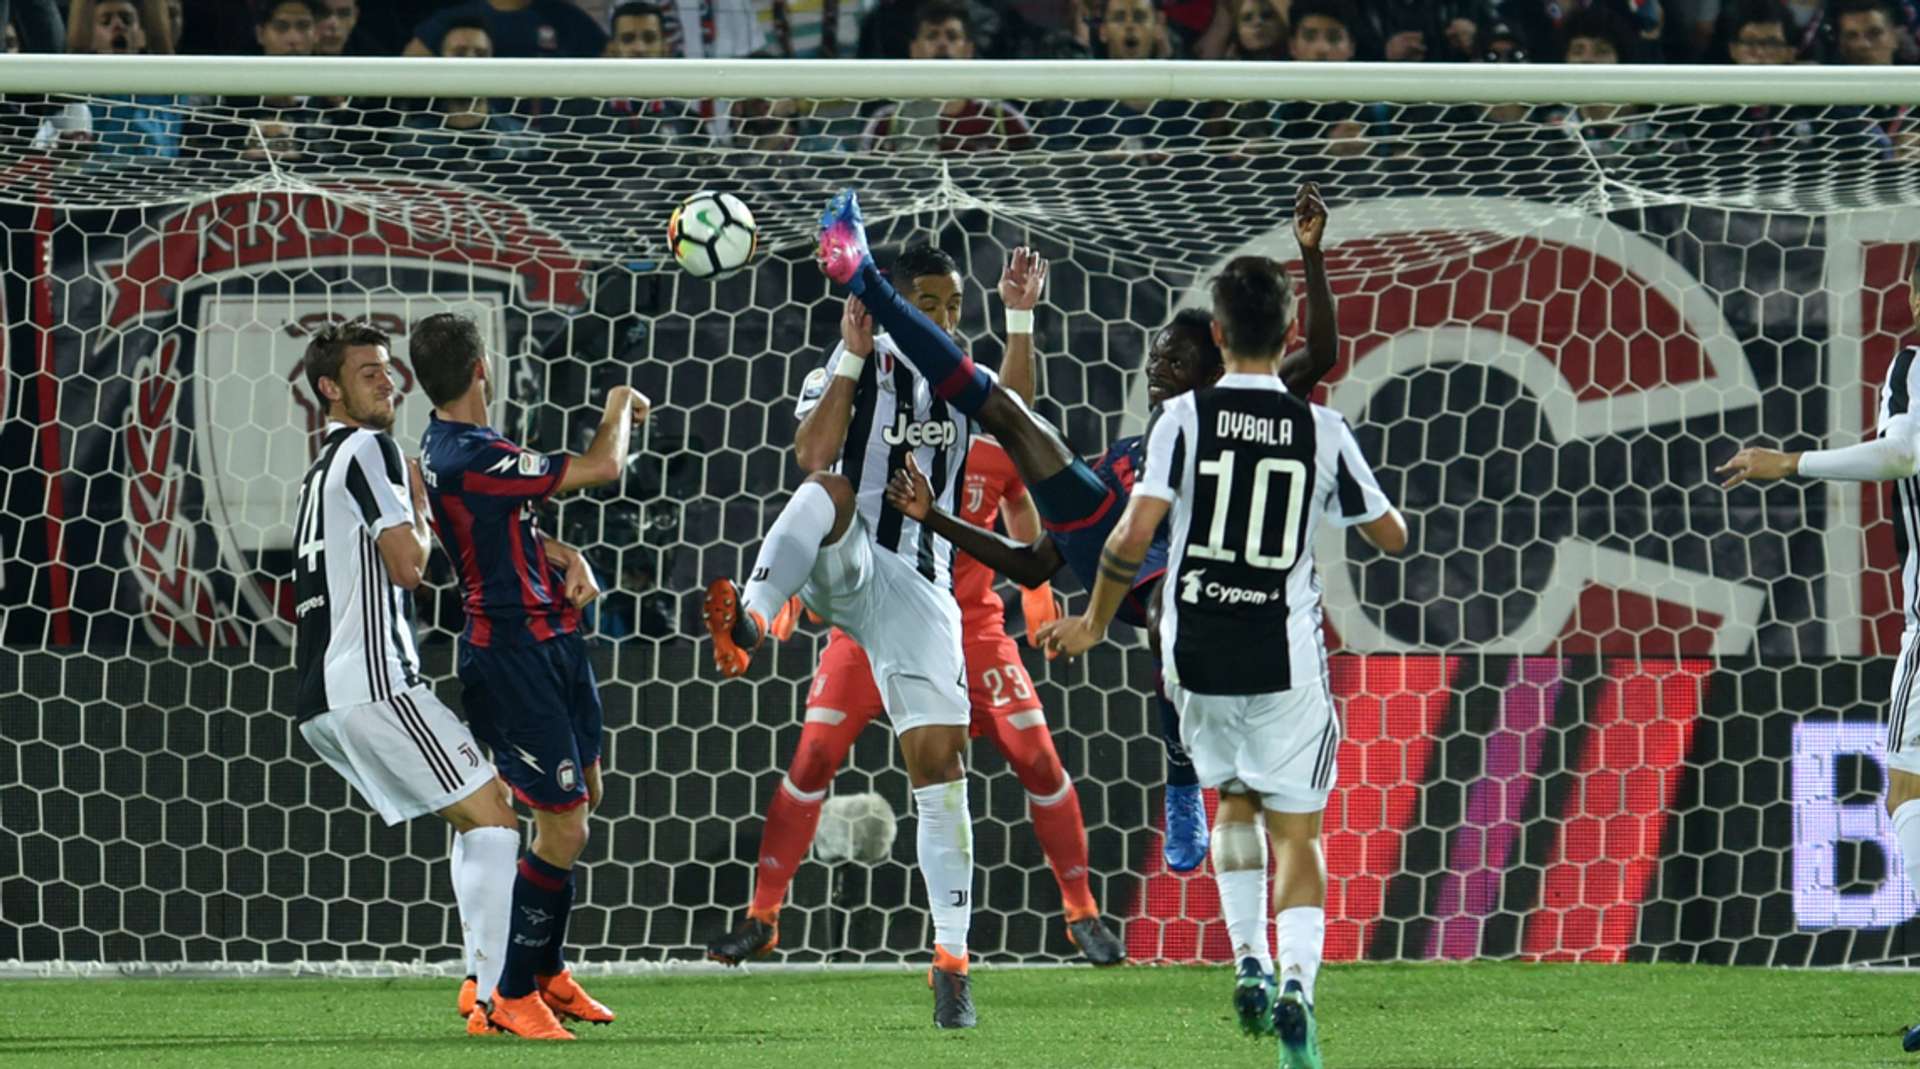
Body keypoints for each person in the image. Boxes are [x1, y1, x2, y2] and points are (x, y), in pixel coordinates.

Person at [810, 184, 1337, 874]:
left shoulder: (1235, 410)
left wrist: (1311, 254)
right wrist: (933, 517)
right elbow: (1032, 565)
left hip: (1203, 576)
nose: (1158, 370)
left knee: (1165, 604)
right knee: (1008, 416)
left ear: (1215, 369)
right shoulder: (1121, 462)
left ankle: (1182, 779)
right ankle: (865, 281)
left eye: (1176, 362)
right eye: (1155, 357)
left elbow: (1319, 351)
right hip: (1126, 557)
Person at [705, 246, 1125, 970]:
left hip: (969, 621)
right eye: (929, 306)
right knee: (813, 755)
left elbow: (1021, 472)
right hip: (870, 611)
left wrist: (1039, 604)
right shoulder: (860, 382)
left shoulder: (975, 407)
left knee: (1033, 755)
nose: (945, 320)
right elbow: (819, 481)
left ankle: (1078, 912)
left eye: (954, 308)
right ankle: (762, 915)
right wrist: (789, 595)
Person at [1037, 256, 1407, 1067]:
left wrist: (1094, 622)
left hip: (1197, 650)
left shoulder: (1180, 421)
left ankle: (1248, 962)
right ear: (1286, 330)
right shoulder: (1320, 429)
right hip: (1285, 655)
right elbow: (1392, 535)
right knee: (1297, 835)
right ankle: (1297, 988)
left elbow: (1131, 537)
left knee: (1233, 803)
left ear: (1218, 332)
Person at [415, 312, 646, 1040]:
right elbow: (604, 466)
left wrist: (566, 553)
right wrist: (619, 405)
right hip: (511, 657)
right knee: (564, 825)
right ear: (482, 367)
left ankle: (542, 969)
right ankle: (506, 992)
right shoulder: (465, 454)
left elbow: (501, 526)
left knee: (582, 801)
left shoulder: (455, 448)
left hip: (555, 637)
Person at [287, 321, 521, 1039]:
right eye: (367, 373)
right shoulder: (369, 448)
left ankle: (482, 983)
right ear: (330, 389)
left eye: (388, 370)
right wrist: (418, 500)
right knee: (496, 814)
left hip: (324, 696)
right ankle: (500, 996)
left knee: (479, 811)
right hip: (373, 682)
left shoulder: (319, 469)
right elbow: (409, 566)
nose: (386, 382)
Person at [1715, 258, 1920, 1057]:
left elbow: (1900, 454)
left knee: (1907, 788)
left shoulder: (1912, 364)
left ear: (1913, 294)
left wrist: (1790, 462)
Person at [860, 0, 1035, 153]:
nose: (943, 44)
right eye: (932, 36)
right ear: (914, 50)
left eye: (952, 37)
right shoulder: (887, 123)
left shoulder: (1004, 119)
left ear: (969, 50)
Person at [403, 0, 606, 58]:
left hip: (551, 132)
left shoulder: (566, 16)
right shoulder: (459, 17)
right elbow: (411, 64)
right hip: (478, 126)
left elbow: (608, 55)